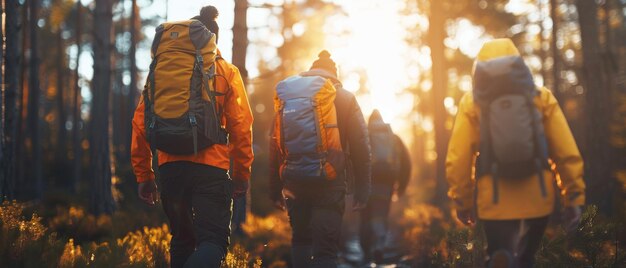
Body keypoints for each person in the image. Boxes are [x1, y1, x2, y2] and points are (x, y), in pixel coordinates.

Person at [131, 6, 253, 268]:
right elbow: (241, 125)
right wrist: (242, 174)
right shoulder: (226, 71)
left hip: (170, 169)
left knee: (182, 240)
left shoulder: (160, 72)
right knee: (213, 241)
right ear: (213, 40)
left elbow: (139, 123)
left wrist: (144, 176)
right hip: (211, 170)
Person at [446, 38, 585, 268]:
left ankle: (502, 258)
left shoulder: (472, 103)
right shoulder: (541, 97)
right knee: (526, 258)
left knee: (501, 253)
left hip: (494, 199)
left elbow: (458, 158)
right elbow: (565, 150)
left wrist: (462, 201)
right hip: (538, 196)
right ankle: (518, 260)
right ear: (519, 65)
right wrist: (573, 197)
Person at [269, 51, 372, 267]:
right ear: (334, 74)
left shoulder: (290, 98)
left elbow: (275, 143)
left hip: (295, 180)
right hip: (330, 180)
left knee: (301, 240)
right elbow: (361, 144)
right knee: (325, 249)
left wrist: (275, 187)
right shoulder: (344, 98)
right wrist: (363, 188)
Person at [359, 110, 411, 265]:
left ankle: (366, 253)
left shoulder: (363, 135)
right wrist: (401, 186)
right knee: (380, 216)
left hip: (366, 184)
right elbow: (407, 164)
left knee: (365, 218)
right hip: (386, 184)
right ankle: (379, 246)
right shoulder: (394, 139)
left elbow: (353, 158)